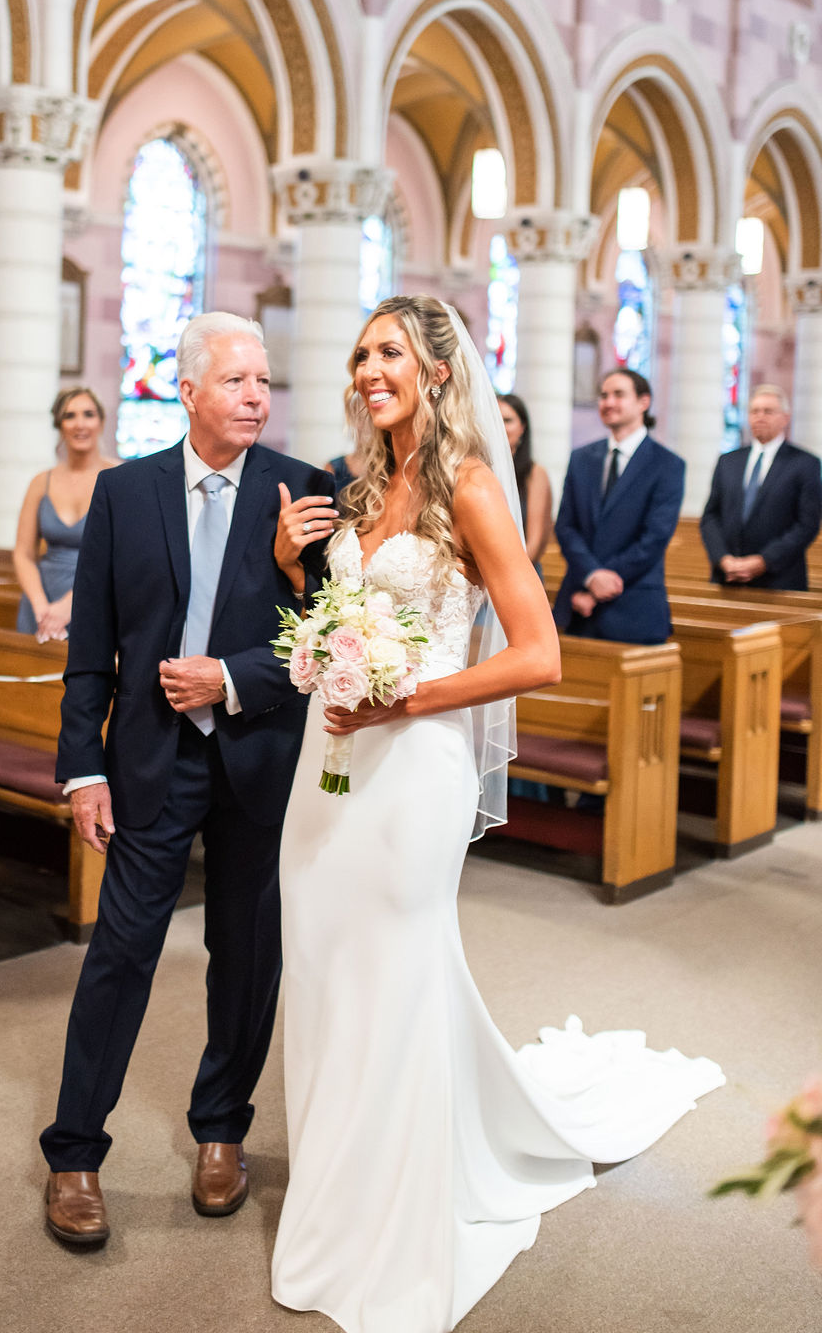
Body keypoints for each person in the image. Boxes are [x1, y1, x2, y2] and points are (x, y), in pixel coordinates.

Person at [269, 297, 722, 1333]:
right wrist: (303, 594)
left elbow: (536, 652)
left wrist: (409, 695)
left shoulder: (472, 486)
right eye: (358, 354)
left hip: (415, 759)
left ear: (434, 369)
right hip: (329, 759)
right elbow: (340, 617)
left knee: (395, 966)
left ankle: (395, 1213)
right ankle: (334, 1192)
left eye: (387, 351)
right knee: (327, 966)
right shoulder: (361, 486)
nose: (366, 369)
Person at [39, 312, 335, 1246]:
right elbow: (92, 651)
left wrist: (235, 676)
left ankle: (222, 1133)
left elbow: (330, 642)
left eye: (265, 382)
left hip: (258, 759)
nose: (257, 396)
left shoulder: (304, 489)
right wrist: (83, 767)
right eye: (238, 380)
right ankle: (76, 1152)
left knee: (247, 960)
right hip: (150, 761)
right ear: (190, 390)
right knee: (120, 953)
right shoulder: (126, 495)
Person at [553, 368, 684, 644]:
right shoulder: (581, 458)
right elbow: (566, 527)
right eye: (603, 396)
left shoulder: (667, 464)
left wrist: (604, 581)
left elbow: (654, 537)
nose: (608, 402)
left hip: (634, 605)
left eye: (618, 395)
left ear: (643, 402)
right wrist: (590, 575)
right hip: (579, 605)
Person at [13, 387, 117, 641]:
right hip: (41, 605)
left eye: (88, 414)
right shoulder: (41, 482)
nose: (79, 424)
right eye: (70, 416)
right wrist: (41, 608)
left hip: (98, 597)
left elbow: (125, 556)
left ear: (101, 422)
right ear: (59, 425)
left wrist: (68, 607)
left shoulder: (121, 478)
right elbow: (23, 553)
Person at [700, 383, 822, 589]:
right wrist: (723, 559)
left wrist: (763, 561)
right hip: (727, 579)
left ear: (785, 418)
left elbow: (807, 524)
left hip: (779, 580)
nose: (760, 417)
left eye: (768, 411)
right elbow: (710, 516)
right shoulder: (728, 461)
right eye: (754, 411)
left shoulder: (804, 463)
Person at [498, 391, 552, 571]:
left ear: (522, 427)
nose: (500, 426)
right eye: (495, 419)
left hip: (522, 573)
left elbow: (534, 543)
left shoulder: (535, 474)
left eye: (507, 420)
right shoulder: (476, 470)